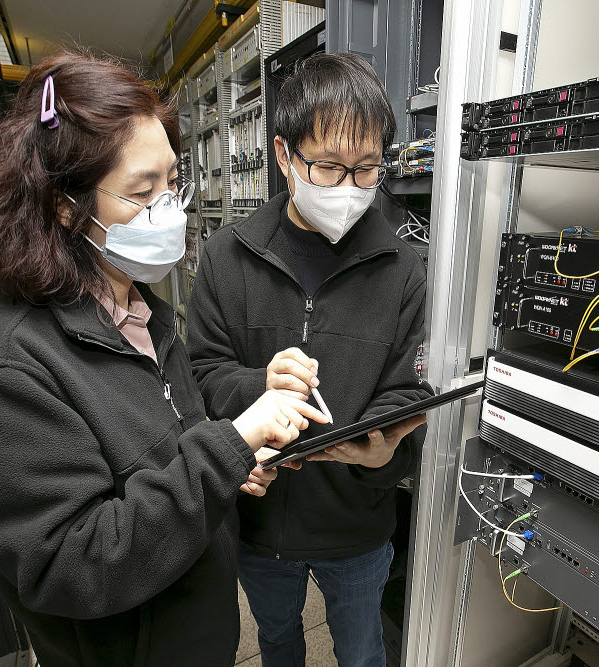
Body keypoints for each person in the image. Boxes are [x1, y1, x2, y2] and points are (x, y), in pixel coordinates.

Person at [0, 50, 326, 667]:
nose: (169, 207)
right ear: (65, 206)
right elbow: (74, 564)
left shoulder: (144, 313)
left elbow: (166, 449)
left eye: (172, 182)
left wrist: (230, 462)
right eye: (142, 192)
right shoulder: (2, 368)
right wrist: (227, 448)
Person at [187, 53, 432, 667]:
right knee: (277, 640)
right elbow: (202, 375)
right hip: (258, 519)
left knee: (361, 650)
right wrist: (258, 386)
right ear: (282, 155)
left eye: (367, 170)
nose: (348, 190)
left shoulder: (403, 270)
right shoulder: (226, 257)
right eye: (327, 167)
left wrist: (381, 453)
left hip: (357, 524)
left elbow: (406, 390)